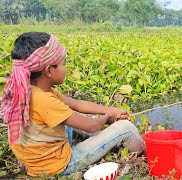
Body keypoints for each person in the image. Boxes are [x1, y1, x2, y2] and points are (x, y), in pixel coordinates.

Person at [0, 32, 145, 177]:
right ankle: (143, 155)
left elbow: (76, 104)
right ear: (49, 70)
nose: (65, 68)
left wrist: (109, 110)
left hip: (37, 158)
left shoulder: (29, 90)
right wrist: (108, 117)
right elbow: (92, 126)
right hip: (57, 166)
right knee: (125, 128)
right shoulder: (45, 101)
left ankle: (107, 138)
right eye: (63, 64)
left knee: (70, 113)